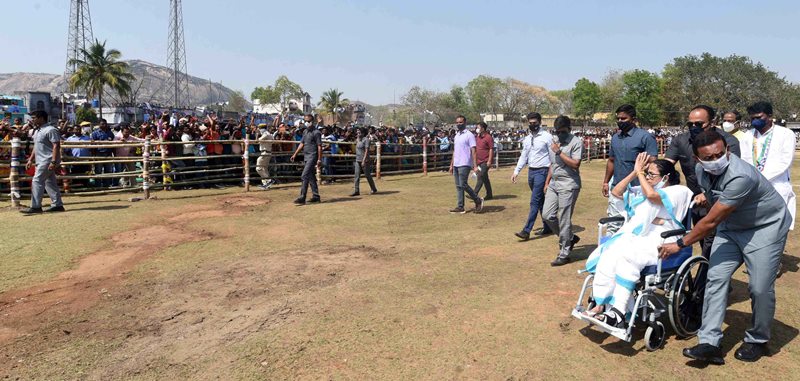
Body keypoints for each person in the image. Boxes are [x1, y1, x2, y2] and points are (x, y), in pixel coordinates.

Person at [659, 130, 791, 365]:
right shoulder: (701, 171)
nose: (715, 160)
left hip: (765, 228)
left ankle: (758, 340)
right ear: (698, 159)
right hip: (731, 228)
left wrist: (680, 243)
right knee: (715, 279)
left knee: (759, 287)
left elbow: (710, 221)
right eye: (708, 158)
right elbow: (713, 201)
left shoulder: (741, 176)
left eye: (720, 154)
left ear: (727, 150)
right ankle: (709, 343)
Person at [584, 153, 692, 327]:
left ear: (666, 177)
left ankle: (618, 311)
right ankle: (601, 304)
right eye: (647, 173)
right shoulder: (644, 189)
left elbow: (653, 198)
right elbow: (616, 192)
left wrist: (641, 176)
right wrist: (636, 173)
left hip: (662, 240)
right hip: (639, 236)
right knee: (610, 251)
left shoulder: (678, 191)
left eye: (651, 174)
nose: (648, 177)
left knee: (628, 256)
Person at [664, 105, 741, 259]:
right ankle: (713, 280)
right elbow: (666, 165)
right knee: (703, 241)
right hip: (695, 203)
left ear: (712, 122)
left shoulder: (728, 141)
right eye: (690, 124)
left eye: (699, 124)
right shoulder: (681, 140)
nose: (693, 127)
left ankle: (707, 281)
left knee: (713, 246)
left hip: (720, 202)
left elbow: (732, 173)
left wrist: (707, 194)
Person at [739, 101, 796, 230]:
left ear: (769, 116)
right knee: (756, 225)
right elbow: (745, 160)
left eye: (759, 117)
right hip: (754, 188)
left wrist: (762, 178)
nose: (755, 120)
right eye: (752, 118)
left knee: (778, 226)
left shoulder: (785, 134)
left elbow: (784, 162)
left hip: (777, 186)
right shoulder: (748, 136)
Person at [602, 104, 658, 234]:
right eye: (618, 119)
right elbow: (611, 160)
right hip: (617, 188)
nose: (620, 121)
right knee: (613, 226)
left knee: (635, 227)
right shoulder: (615, 138)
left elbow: (653, 163)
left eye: (623, 119)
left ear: (633, 119)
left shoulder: (645, 137)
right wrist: (606, 182)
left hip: (638, 190)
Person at [542, 116, 583, 266]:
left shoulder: (576, 142)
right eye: (557, 131)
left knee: (564, 219)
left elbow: (575, 164)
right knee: (547, 215)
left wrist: (559, 152)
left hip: (569, 184)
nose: (559, 134)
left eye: (563, 131)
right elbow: (552, 165)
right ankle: (570, 238)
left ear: (569, 129)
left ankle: (564, 253)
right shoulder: (554, 141)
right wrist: (547, 182)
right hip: (554, 182)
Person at [512, 112, 552, 240]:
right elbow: (524, 155)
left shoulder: (547, 137)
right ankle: (548, 225)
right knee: (540, 201)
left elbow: (552, 157)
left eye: (534, 123)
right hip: (531, 171)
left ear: (540, 122)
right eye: (530, 123)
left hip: (543, 171)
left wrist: (550, 177)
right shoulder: (528, 138)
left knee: (534, 201)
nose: (532, 125)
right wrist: (516, 171)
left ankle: (526, 230)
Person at [20, 110, 65, 214]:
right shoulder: (37, 131)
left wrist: (53, 161)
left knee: (37, 181)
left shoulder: (51, 130)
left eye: (34, 117)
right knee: (50, 182)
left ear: (41, 118)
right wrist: (30, 159)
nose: (32, 119)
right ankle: (57, 204)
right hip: (41, 160)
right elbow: (36, 147)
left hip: (47, 160)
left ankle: (35, 206)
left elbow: (56, 145)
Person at [449, 115, 483, 214]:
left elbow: (474, 151)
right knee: (458, 186)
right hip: (456, 163)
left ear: (465, 123)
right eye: (457, 122)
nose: (459, 124)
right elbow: (455, 151)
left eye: (460, 122)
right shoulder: (456, 135)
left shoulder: (469, 135)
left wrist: (475, 165)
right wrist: (451, 164)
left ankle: (477, 200)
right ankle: (460, 206)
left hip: (465, 163)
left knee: (463, 184)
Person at [290, 114, 322, 204]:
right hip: (306, 156)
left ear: (312, 122)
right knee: (311, 176)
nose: (307, 123)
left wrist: (319, 159)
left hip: (313, 156)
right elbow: (302, 143)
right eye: (305, 121)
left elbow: (319, 146)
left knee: (304, 175)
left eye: (308, 121)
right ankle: (316, 196)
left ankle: (302, 197)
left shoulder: (316, 132)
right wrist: (295, 154)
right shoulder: (305, 132)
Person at [350, 127, 378, 196]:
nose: (358, 133)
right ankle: (356, 191)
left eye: (359, 132)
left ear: (363, 133)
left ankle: (373, 189)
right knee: (356, 175)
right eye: (357, 132)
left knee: (367, 175)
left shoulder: (366, 140)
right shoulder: (357, 139)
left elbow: (366, 151)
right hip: (357, 160)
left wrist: (364, 160)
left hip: (365, 160)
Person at [90, 119, 115, 187]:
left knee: (108, 170)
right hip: (99, 154)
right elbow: (93, 145)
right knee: (98, 171)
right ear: (99, 125)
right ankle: (98, 185)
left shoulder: (110, 133)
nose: (104, 125)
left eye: (105, 124)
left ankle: (106, 185)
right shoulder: (95, 133)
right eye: (102, 124)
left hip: (108, 154)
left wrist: (113, 154)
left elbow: (113, 144)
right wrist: (93, 156)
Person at [473, 122, 494, 200]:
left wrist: (489, 161)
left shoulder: (488, 137)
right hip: (479, 161)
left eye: (478, 127)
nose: (477, 129)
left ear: (483, 128)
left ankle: (474, 193)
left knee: (481, 176)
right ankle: (489, 194)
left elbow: (491, 149)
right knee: (485, 178)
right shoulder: (477, 137)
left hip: (485, 160)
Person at [256, 123, 275, 190]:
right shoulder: (269, 134)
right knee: (264, 169)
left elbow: (258, 141)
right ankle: (266, 184)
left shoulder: (265, 134)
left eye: (259, 128)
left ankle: (269, 180)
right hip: (267, 152)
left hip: (265, 152)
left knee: (258, 168)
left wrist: (257, 134)